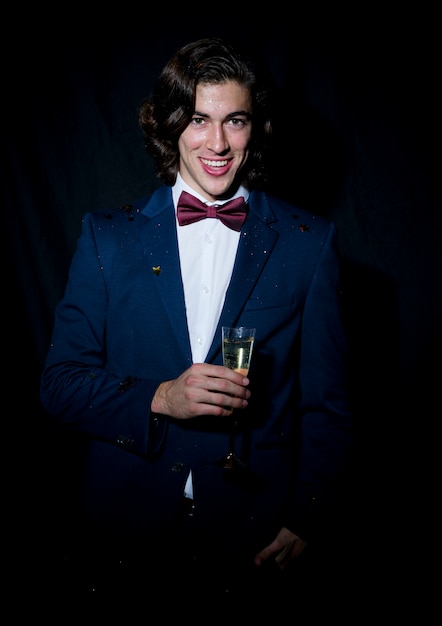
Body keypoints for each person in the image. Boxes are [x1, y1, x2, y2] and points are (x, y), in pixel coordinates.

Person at [40, 37, 354, 617]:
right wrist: (162, 397)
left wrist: (310, 515)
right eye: (198, 120)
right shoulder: (108, 237)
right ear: (168, 124)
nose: (216, 143)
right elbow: (59, 384)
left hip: (251, 542)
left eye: (234, 121)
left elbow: (328, 406)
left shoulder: (309, 245)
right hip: (123, 537)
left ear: (254, 128)